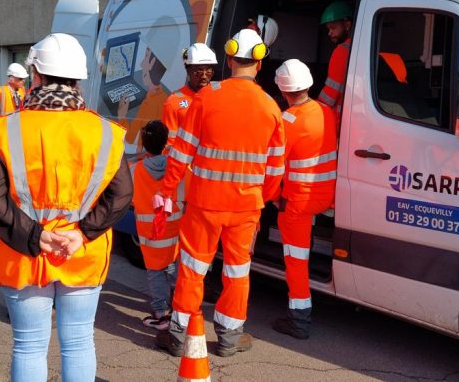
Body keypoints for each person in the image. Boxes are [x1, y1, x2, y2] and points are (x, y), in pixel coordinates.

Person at [0, 33, 132, 382]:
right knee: (78, 342)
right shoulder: (105, 132)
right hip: (83, 252)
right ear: (78, 79)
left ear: (35, 74)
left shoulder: (6, 129)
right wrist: (81, 233)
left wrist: (37, 236)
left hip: (23, 252)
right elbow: (121, 195)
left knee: (29, 346)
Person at [155, 29, 285, 357]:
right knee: (238, 270)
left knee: (193, 267)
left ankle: (179, 334)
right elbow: (276, 168)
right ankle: (229, 336)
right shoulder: (271, 107)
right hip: (246, 206)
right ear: (259, 63)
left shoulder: (206, 97)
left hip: (204, 203)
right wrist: (263, 198)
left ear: (228, 60)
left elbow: (181, 153)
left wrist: (167, 191)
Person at [269, 59, 337, 340]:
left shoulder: (288, 122)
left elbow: (274, 167)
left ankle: (299, 318)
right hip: (326, 197)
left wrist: (273, 197)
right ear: (309, 84)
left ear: (284, 93)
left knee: (296, 260)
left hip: (298, 202)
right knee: (302, 253)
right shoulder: (327, 111)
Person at [132, 120, 187, 330]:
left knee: (155, 271)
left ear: (144, 144)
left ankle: (161, 314)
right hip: (173, 228)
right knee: (173, 268)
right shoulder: (176, 168)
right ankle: (177, 309)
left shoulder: (136, 170)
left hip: (150, 232)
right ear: (166, 141)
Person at [117, 45, 169, 153]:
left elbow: (130, 138)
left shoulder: (150, 104)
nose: (141, 64)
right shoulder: (162, 96)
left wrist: (122, 116)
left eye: (146, 57)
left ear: (153, 62)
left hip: (142, 158)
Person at [161, 43, 215, 147]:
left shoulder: (219, 96)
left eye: (208, 71)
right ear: (188, 70)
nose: (204, 76)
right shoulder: (173, 102)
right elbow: (169, 144)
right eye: (199, 71)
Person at [318, 1, 354, 121]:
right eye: (328, 29)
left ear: (347, 25)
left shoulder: (342, 50)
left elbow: (330, 95)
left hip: (337, 120)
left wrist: (315, 109)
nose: (329, 33)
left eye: (333, 27)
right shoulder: (359, 47)